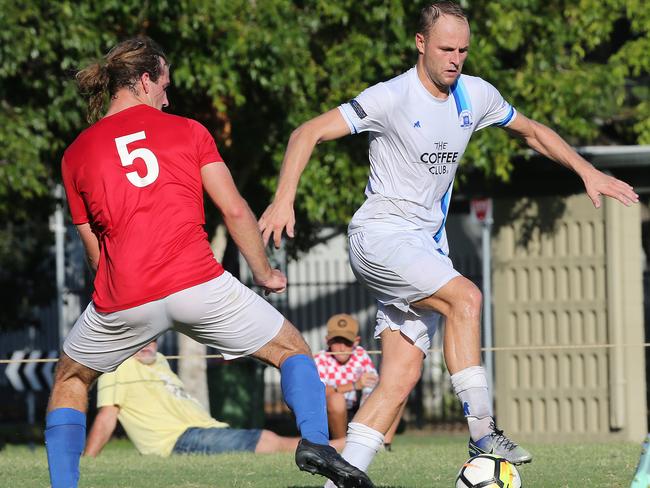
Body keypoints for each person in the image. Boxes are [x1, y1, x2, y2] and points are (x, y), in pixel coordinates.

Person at [258, 1, 639, 482]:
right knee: (466, 298)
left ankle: (344, 476)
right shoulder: (392, 96)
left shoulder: (475, 95)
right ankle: (483, 432)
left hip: (423, 247)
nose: (455, 59)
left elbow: (532, 132)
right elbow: (306, 132)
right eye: (445, 49)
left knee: (400, 377)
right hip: (381, 236)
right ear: (421, 44)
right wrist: (283, 199)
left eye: (463, 49)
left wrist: (588, 171)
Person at [45, 37, 372, 488]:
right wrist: (264, 272)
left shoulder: (76, 154)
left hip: (123, 298)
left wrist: (119, 299)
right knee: (292, 350)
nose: (167, 95)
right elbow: (235, 210)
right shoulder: (188, 130)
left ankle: (64, 485)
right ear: (144, 81)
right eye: (164, 84)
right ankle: (315, 441)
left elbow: (93, 249)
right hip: (200, 285)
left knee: (71, 379)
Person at [85, 341, 345, 457]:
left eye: (150, 337)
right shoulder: (117, 367)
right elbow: (108, 415)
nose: (147, 344)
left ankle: (335, 445)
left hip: (205, 430)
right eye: (139, 338)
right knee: (266, 439)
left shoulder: (160, 360)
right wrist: (89, 460)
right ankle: (336, 446)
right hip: (177, 441)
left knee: (262, 440)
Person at [315, 314, 403, 449]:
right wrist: (354, 385)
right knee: (336, 400)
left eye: (347, 342)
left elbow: (375, 383)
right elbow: (317, 392)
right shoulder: (320, 359)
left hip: (357, 410)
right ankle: (342, 445)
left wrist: (370, 388)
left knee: (398, 388)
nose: (342, 348)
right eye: (337, 341)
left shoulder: (360, 353)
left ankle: (385, 444)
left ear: (356, 341)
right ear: (328, 341)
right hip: (330, 416)